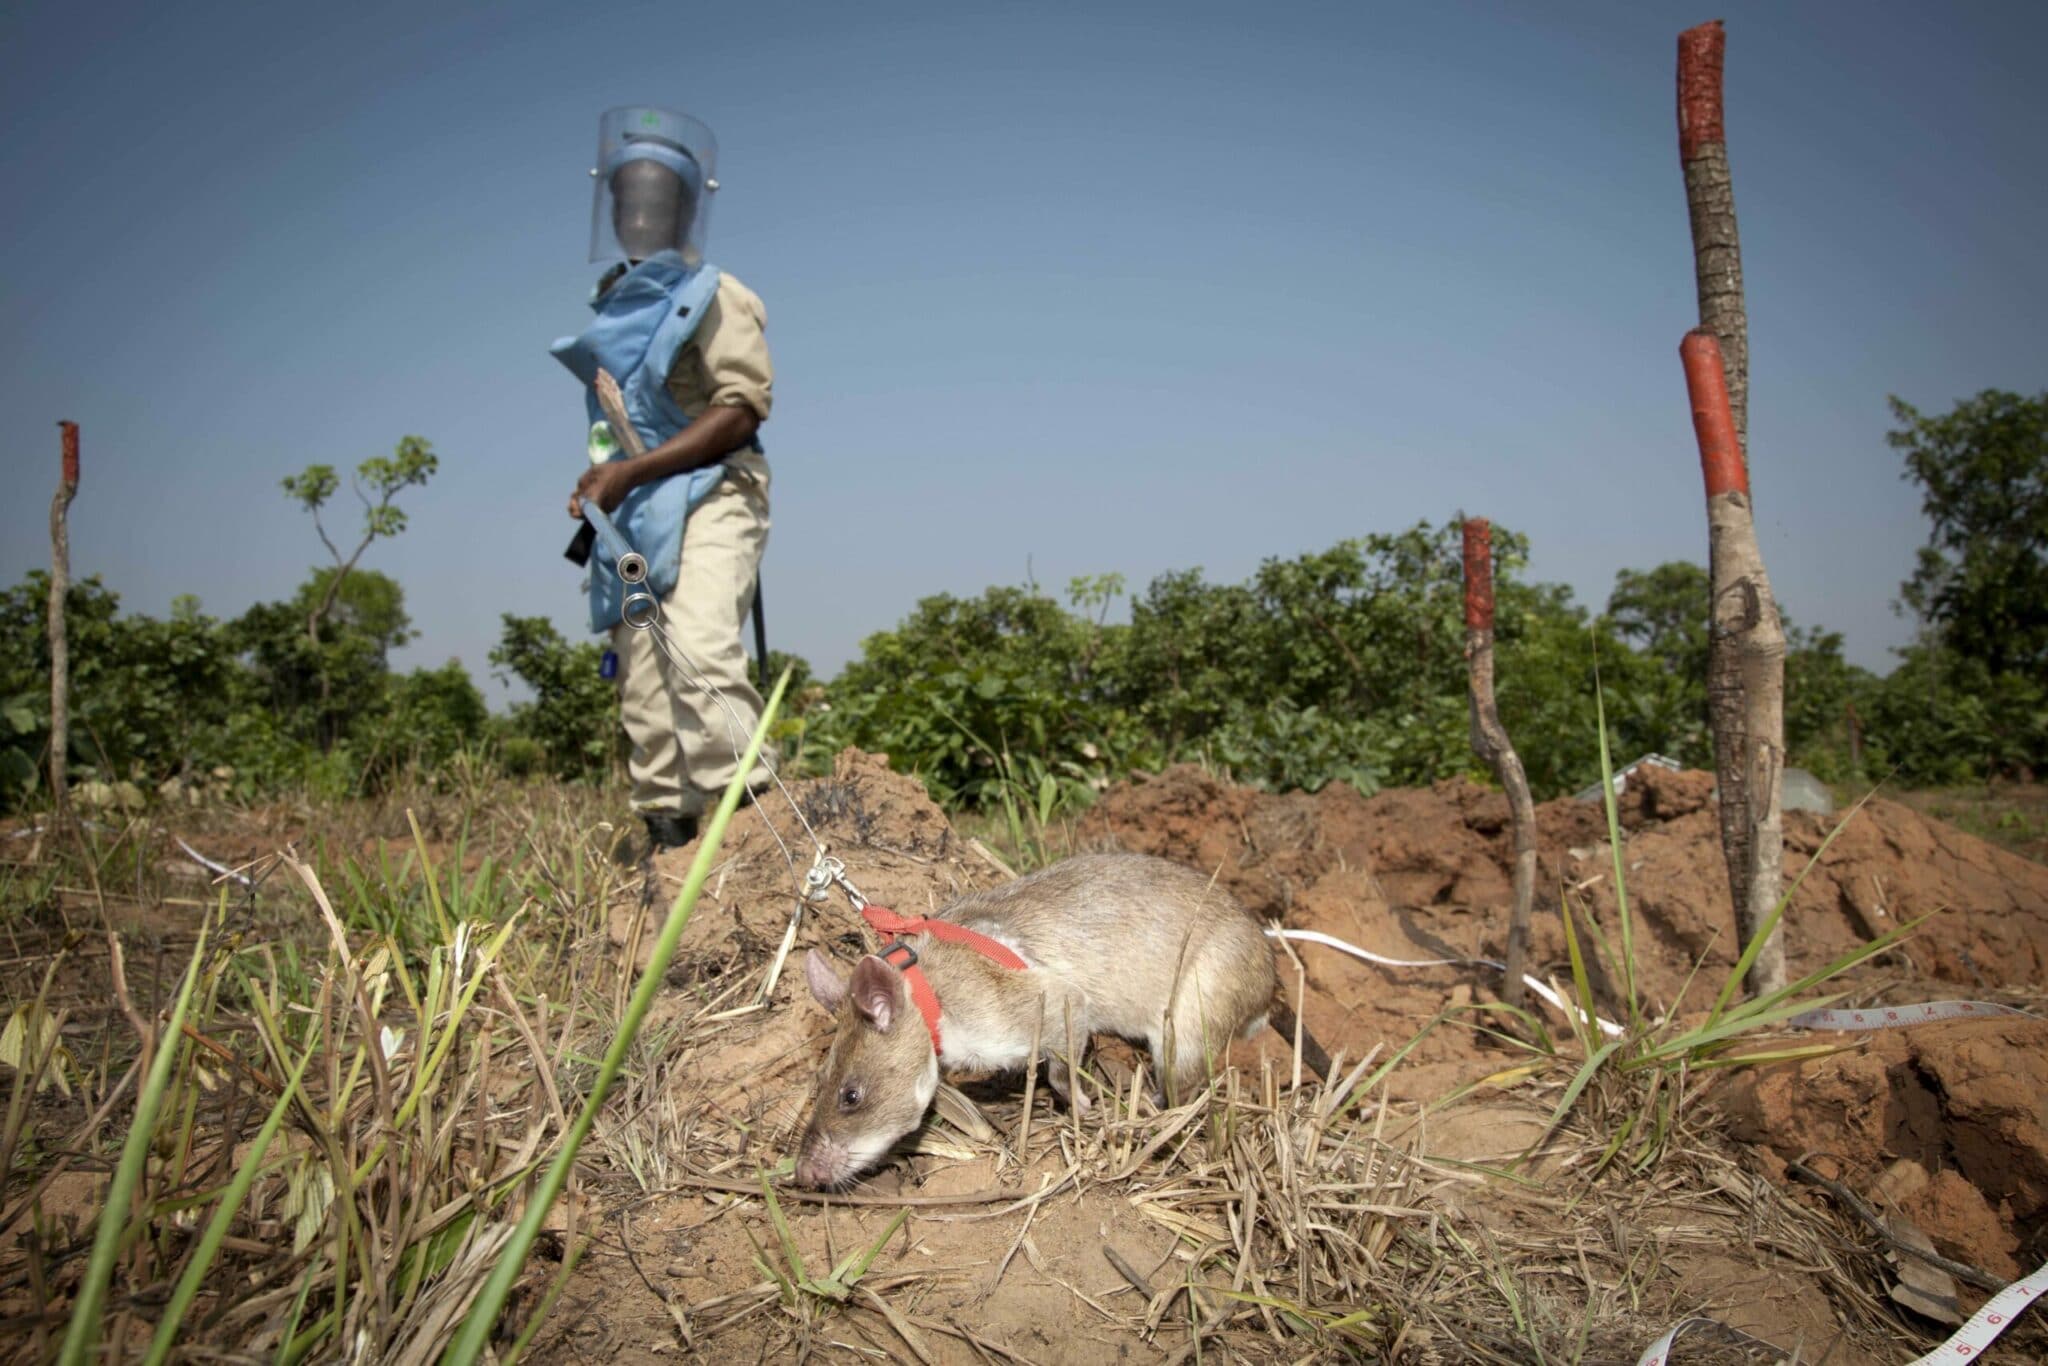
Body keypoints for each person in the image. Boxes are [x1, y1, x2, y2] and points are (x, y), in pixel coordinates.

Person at [551, 106, 774, 852]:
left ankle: (767, 844)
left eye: (657, 197)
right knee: (645, 692)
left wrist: (629, 471)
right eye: (629, 197)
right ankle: (667, 857)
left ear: (683, 208)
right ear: (611, 207)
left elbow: (741, 411)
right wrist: (604, 482)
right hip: (637, 508)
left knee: (701, 649)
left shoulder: (713, 292)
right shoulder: (613, 310)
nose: (642, 210)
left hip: (713, 491)